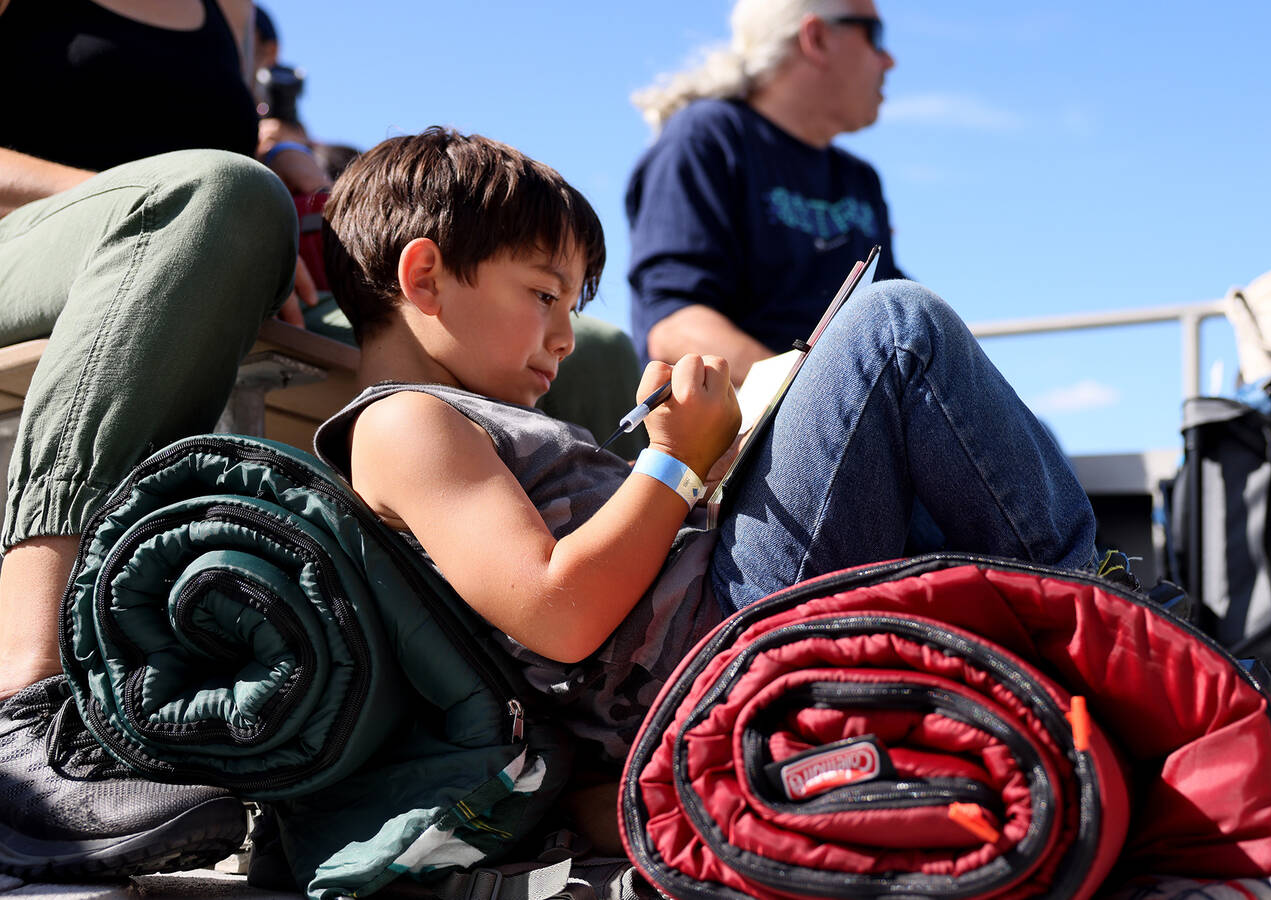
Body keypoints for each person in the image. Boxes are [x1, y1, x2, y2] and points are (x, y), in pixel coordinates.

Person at [314, 129, 1097, 768]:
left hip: (721, 627)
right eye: (545, 294)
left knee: (906, 431)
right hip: (722, 655)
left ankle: (1074, 627)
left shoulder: (450, 419)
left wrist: (709, 464)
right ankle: (1101, 614)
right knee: (893, 330)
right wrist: (674, 463)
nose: (563, 337)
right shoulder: (401, 424)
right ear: (425, 278)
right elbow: (556, 614)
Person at [0, 0, 313, 881]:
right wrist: (144, 197)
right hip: (24, 248)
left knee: (490, 314)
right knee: (218, 192)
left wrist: (286, 159)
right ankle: (23, 693)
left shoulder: (234, 10)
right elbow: (201, 188)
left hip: (172, 246)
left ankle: (499, 731)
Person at [626, 0, 902, 385]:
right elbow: (674, 325)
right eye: (875, 36)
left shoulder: (860, 179)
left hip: (858, 415)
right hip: (748, 429)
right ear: (817, 38)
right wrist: (811, 396)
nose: (889, 60)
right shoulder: (707, 138)